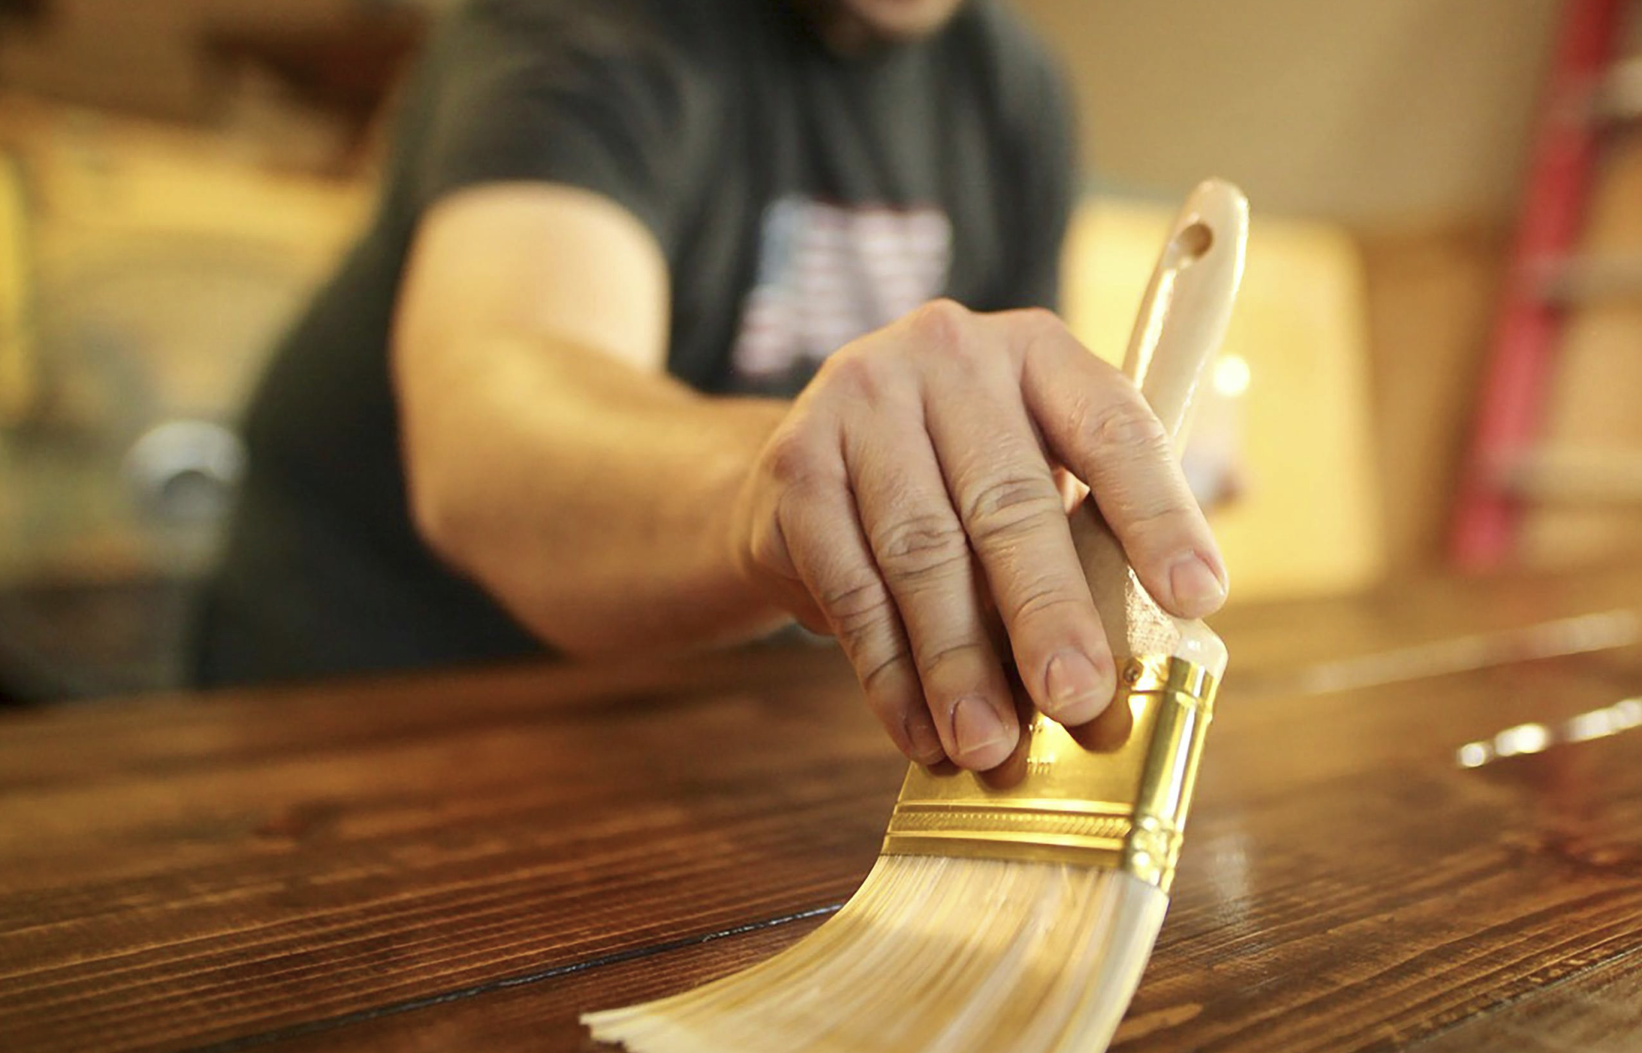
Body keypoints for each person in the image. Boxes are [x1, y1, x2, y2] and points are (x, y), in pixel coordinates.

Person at [193, 0, 1230, 775]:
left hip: (694, 739)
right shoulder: (586, 22)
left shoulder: (1011, 92)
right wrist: (780, 486)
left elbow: (987, 437)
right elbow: (491, 418)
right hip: (366, 723)